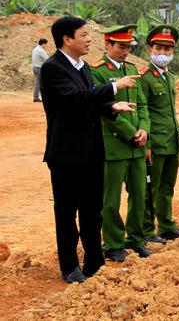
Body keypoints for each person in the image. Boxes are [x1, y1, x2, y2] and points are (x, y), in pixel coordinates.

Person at [40, 16, 138, 283]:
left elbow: (89, 101)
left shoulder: (82, 66)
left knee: (92, 211)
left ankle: (94, 263)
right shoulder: (52, 68)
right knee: (67, 212)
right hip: (67, 154)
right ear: (67, 39)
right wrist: (115, 87)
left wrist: (111, 106)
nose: (89, 39)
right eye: (83, 35)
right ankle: (70, 267)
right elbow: (74, 99)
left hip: (92, 151)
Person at [90, 25, 151, 262]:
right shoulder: (97, 72)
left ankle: (135, 239)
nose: (125, 52)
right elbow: (103, 110)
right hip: (115, 145)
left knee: (139, 194)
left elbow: (142, 105)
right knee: (111, 199)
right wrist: (131, 133)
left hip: (137, 145)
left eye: (128, 47)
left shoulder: (133, 70)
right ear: (107, 45)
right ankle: (114, 243)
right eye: (121, 47)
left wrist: (144, 130)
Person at [139, 25, 179, 243]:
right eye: (159, 48)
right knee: (150, 189)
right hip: (154, 142)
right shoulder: (144, 77)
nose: (163, 53)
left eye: (168, 49)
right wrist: (146, 144)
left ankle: (166, 225)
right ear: (150, 49)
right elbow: (143, 111)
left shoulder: (170, 77)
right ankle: (148, 230)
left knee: (167, 186)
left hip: (172, 141)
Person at [32, 38, 49, 102]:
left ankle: (36, 97)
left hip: (35, 67)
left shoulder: (35, 49)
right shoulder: (41, 50)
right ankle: (36, 97)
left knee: (38, 82)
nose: (46, 46)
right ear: (43, 44)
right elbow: (47, 59)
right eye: (46, 44)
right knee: (39, 83)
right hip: (39, 68)